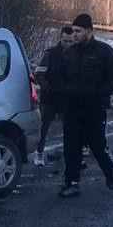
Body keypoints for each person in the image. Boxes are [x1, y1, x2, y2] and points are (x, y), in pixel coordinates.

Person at [47, 13, 113, 197]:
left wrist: (99, 93)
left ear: (89, 31)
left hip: (95, 109)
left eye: (78, 31)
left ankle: (109, 173)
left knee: (97, 146)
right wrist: (65, 93)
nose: (74, 34)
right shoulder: (68, 54)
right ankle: (72, 183)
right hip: (72, 109)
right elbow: (56, 78)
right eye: (73, 31)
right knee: (71, 147)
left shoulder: (104, 52)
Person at [33, 25, 75, 164]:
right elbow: (39, 74)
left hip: (67, 99)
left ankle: (72, 155)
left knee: (70, 128)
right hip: (50, 99)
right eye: (65, 41)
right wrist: (49, 89)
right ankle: (39, 153)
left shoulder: (75, 54)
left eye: (70, 41)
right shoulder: (50, 54)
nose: (68, 44)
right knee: (44, 128)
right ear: (60, 39)